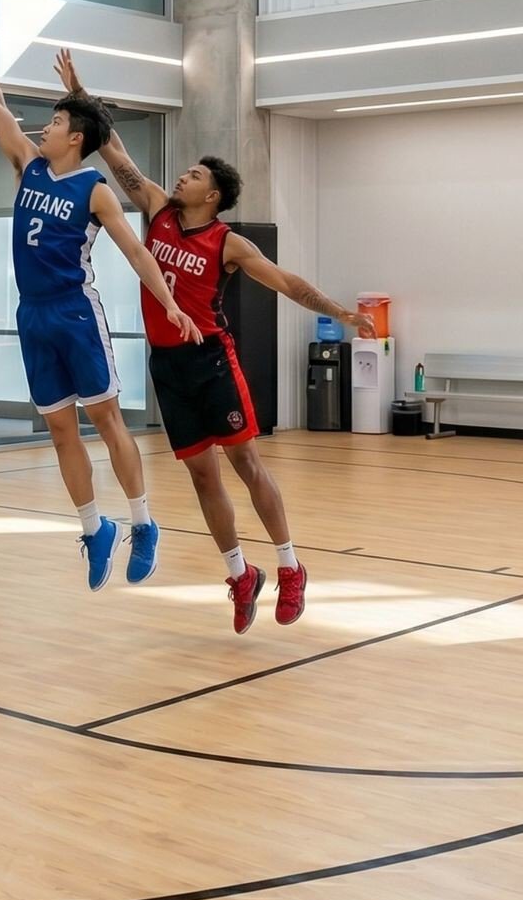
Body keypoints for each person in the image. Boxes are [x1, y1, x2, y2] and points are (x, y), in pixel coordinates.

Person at [56, 50, 374, 632]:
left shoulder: (228, 242)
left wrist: (341, 313)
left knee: (246, 462)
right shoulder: (156, 209)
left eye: (195, 175)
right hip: (166, 365)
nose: (183, 177)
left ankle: (290, 565)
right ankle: (239, 575)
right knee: (202, 475)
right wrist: (81, 96)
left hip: (209, 359)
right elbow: (114, 151)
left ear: (213, 195)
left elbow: (286, 283)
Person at [0, 3, 201, 592]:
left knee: (106, 417)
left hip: (75, 311)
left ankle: (142, 523)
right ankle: (95, 530)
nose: (45, 127)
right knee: (60, 430)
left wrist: (168, 302)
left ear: (77, 136)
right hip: (31, 315)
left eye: (56, 121)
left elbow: (138, 253)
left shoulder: (95, 190)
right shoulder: (28, 166)